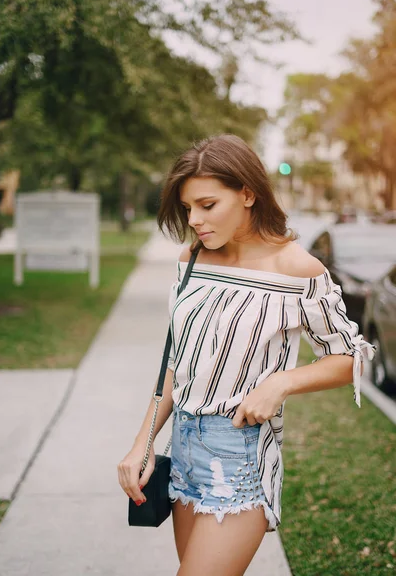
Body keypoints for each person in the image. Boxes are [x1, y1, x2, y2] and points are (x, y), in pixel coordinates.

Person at [117, 134, 375, 576]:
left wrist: (281, 383)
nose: (194, 219)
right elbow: (178, 364)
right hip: (182, 449)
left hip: (238, 455)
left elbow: (352, 357)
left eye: (207, 205)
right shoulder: (192, 259)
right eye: (187, 208)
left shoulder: (296, 269)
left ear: (248, 194)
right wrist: (143, 441)